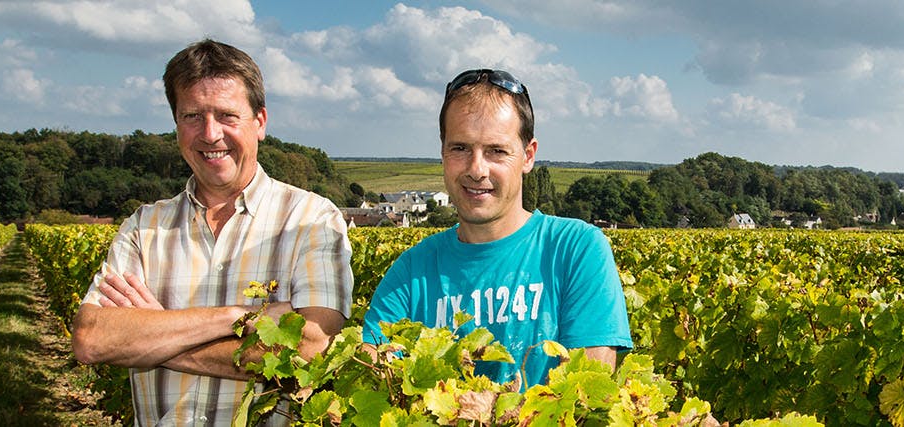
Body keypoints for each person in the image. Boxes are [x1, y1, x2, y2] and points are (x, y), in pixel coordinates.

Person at [69, 38, 352, 426]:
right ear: (176, 125)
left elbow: (310, 349)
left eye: (227, 116)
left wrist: (155, 338)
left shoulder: (311, 219)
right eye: (192, 116)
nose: (210, 133)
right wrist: (241, 316)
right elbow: (92, 338)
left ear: (260, 122)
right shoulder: (144, 227)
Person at [361, 69, 634, 387]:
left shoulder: (576, 249)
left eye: (497, 151)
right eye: (460, 148)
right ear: (443, 152)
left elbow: (588, 392)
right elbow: (375, 370)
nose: (477, 169)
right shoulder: (411, 271)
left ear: (528, 156)